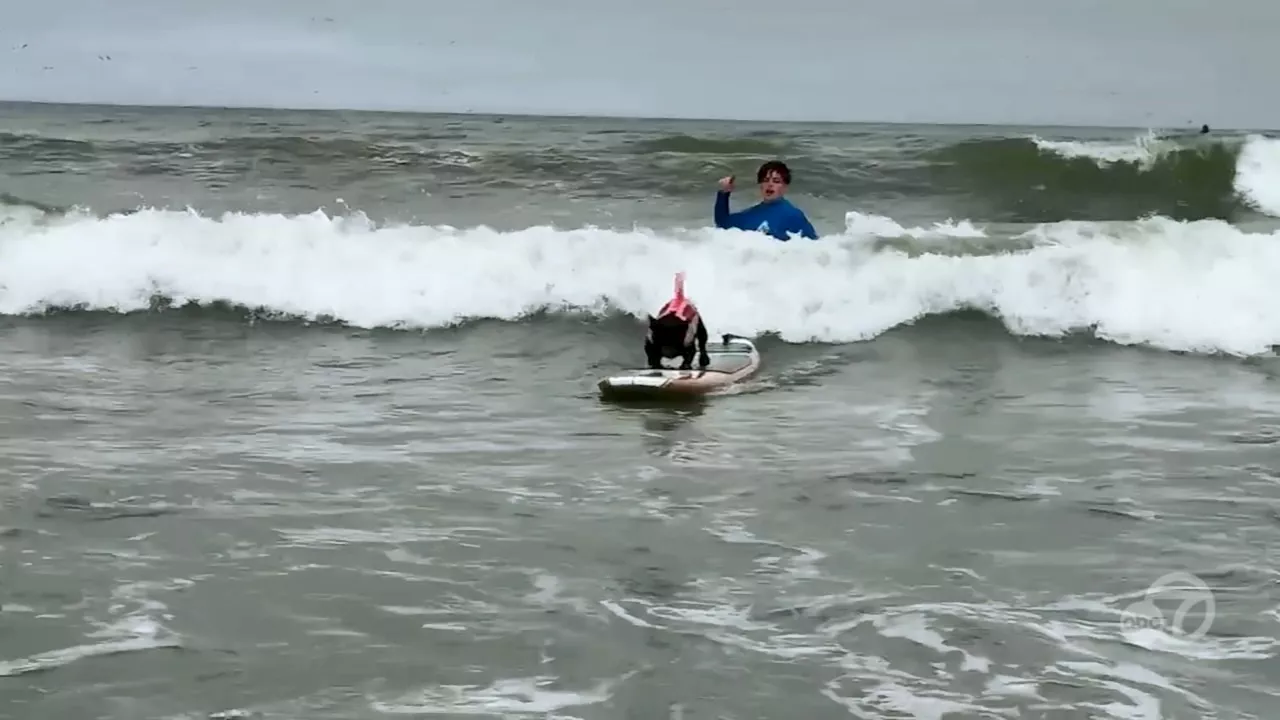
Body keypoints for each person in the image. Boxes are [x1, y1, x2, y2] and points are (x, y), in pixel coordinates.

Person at [713, 160, 817, 241]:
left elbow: (814, 246)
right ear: (760, 186)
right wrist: (724, 193)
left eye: (776, 181)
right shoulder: (751, 214)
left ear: (785, 187)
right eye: (766, 180)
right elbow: (723, 224)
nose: (770, 184)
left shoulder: (793, 215)